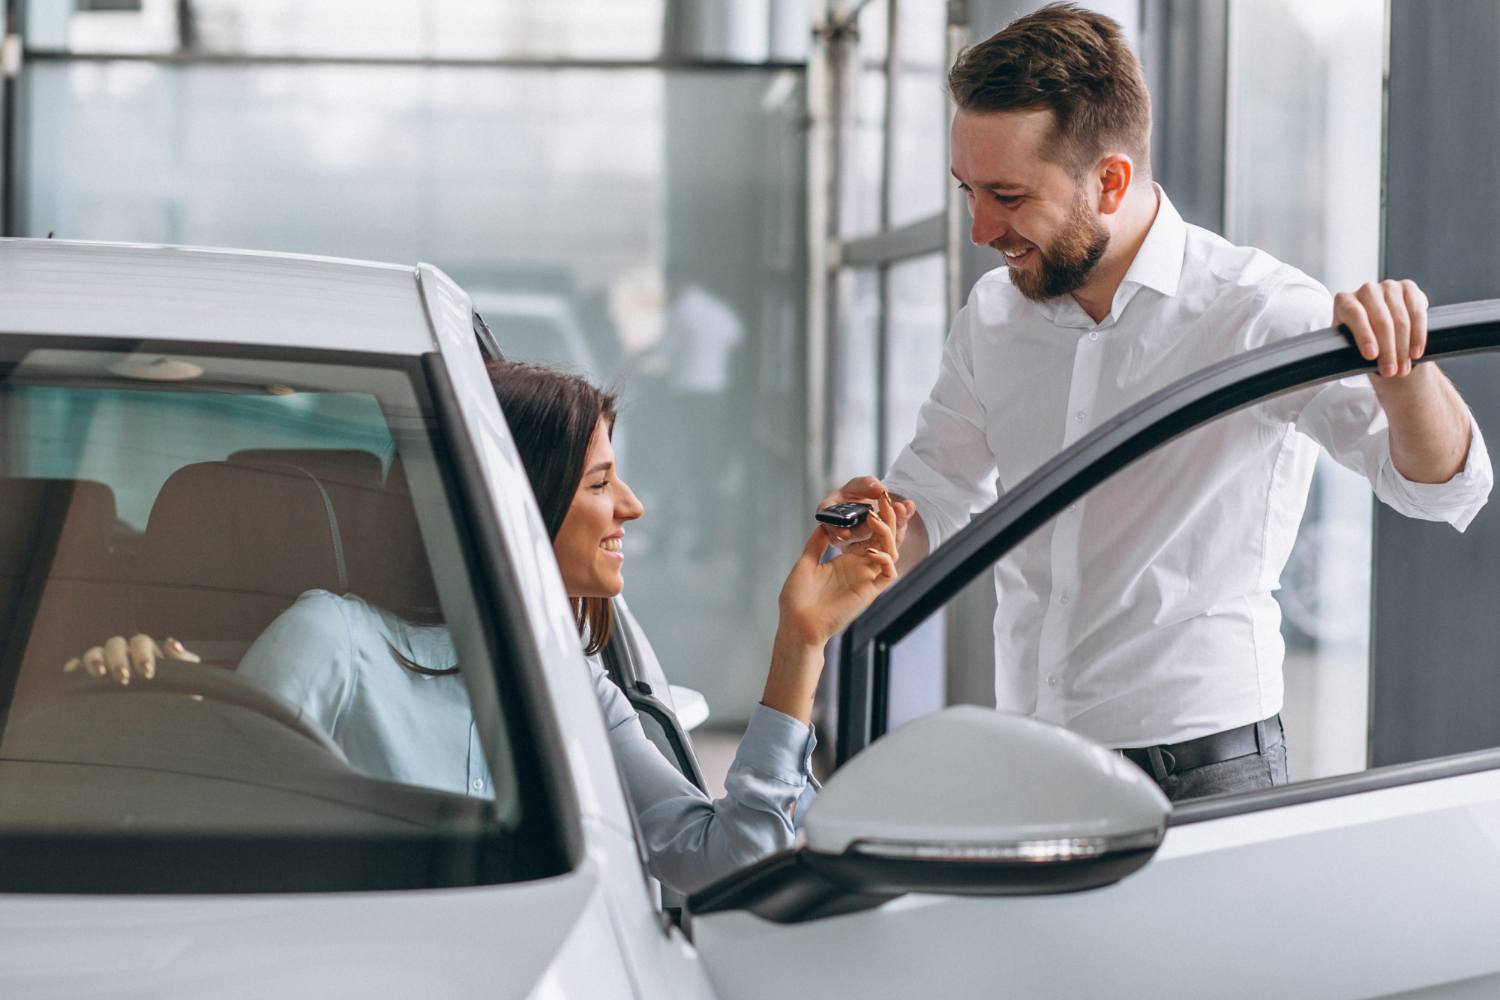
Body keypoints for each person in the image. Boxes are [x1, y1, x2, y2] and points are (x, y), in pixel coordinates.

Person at [820, 3, 1492, 801]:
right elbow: (936, 492)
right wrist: (875, 527)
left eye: (1006, 195)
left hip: (1203, 768)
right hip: (1031, 753)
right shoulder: (994, 317)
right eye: (967, 190)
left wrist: (1405, 372)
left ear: (1109, 180)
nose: (979, 229)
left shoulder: (1258, 309)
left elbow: (1446, 485)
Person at [69, 360, 901, 894]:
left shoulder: (574, 680)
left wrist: (801, 642)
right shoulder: (333, 641)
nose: (633, 507)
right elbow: (230, 846)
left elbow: (732, 865)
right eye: (600, 482)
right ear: (519, 502)